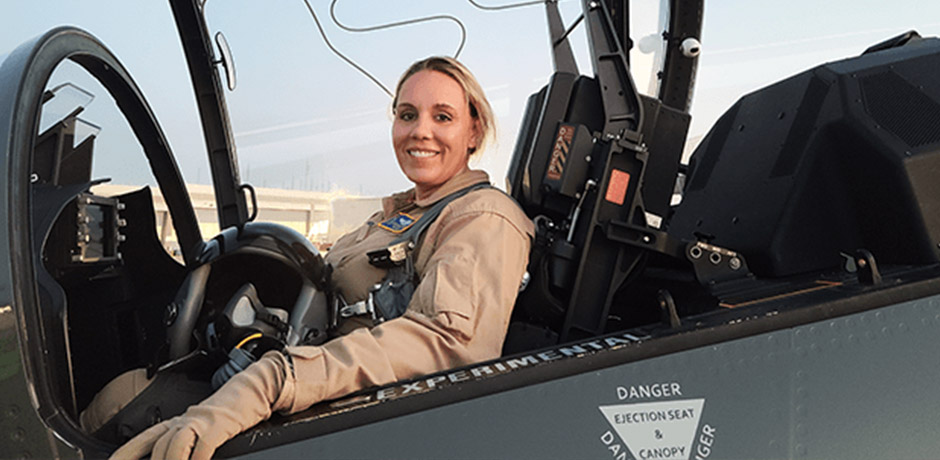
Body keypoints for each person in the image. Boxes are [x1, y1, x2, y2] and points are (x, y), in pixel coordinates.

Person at [110, 56, 534, 460]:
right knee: (132, 382)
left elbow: (446, 346)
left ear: (474, 132)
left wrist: (271, 381)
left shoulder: (484, 217)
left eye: (443, 117)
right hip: (307, 383)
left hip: (345, 416)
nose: (421, 131)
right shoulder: (395, 216)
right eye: (407, 115)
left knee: (123, 401)